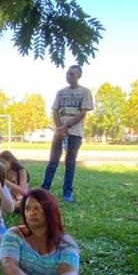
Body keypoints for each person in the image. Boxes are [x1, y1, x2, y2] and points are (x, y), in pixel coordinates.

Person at [41, 65, 94, 203]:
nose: (69, 76)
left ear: (79, 76)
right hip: (59, 133)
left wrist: (67, 126)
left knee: (70, 162)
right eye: (67, 73)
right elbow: (55, 111)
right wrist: (59, 128)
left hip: (75, 133)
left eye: (72, 74)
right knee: (53, 162)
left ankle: (67, 192)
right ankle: (44, 189)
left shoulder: (85, 92)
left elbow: (83, 113)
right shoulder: (60, 92)